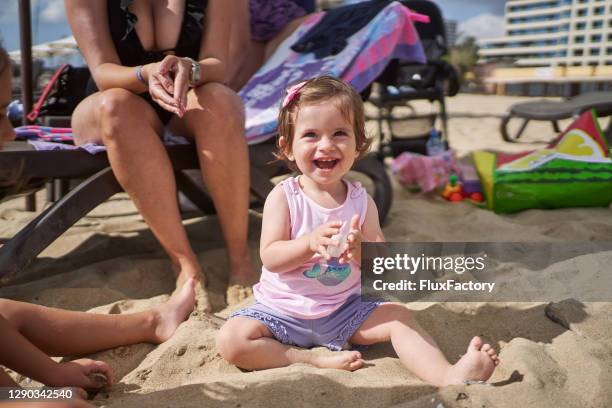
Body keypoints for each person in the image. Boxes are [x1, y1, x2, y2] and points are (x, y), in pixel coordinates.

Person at [216, 76, 500, 386]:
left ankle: (448, 375)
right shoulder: (284, 196)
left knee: (398, 316)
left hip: (344, 311)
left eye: (340, 133)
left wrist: (359, 251)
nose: (326, 144)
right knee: (231, 340)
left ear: (358, 145)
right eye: (310, 135)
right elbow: (270, 257)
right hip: (282, 313)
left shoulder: (361, 200)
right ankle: (308, 358)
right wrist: (309, 243)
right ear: (288, 147)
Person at [64, 0, 257, 307]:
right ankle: (184, 263)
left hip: (183, 97)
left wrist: (191, 68)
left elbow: (217, 64)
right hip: (113, 98)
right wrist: (146, 73)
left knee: (222, 101)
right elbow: (102, 72)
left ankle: (240, 257)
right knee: (116, 107)